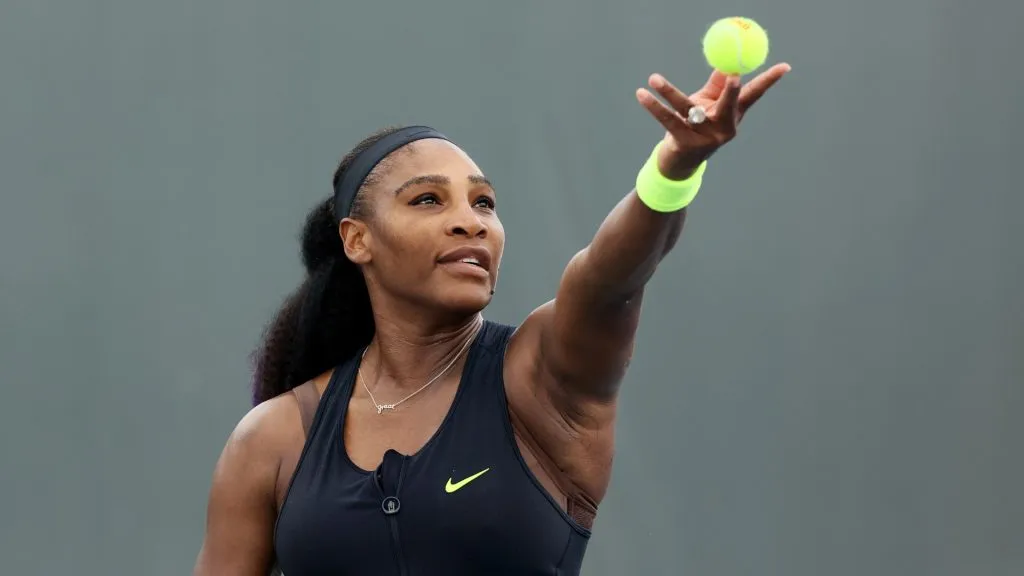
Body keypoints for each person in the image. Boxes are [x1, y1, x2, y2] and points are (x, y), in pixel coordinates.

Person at [193, 63, 791, 576]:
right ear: (357, 240)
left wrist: (674, 170)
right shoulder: (272, 439)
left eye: (484, 202)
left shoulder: (542, 381)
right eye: (429, 199)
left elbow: (608, 282)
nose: (471, 221)